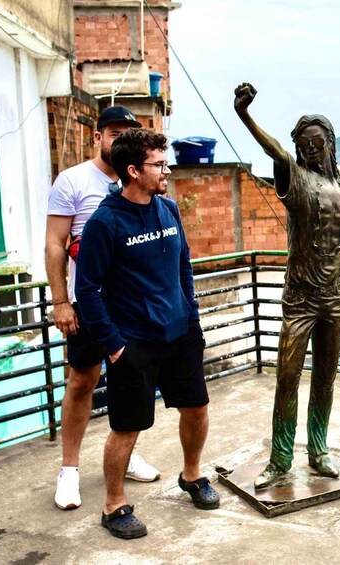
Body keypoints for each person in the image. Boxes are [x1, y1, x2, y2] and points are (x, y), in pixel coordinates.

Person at [233, 82, 340, 489]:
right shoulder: (295, 179)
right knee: (287, 379)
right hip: (301, 299)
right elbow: (274, 150)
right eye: (304, 143)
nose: (311, 148)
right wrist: (244, 115)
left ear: (328, 143)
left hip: (333, 299)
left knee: (325, 376)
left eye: (318, 141)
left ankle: (318, 450)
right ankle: (279, 459)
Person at [75, 128, 219, 539]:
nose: (167, 170)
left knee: (196, 408)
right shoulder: (105, 222)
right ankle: (114, 505)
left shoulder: (168, 209)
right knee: (127, 426)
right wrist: (115, 346)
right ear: (134, 171)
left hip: (180, 333)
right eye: (159, 164)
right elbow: (86, 289)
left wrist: (191, 315)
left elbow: (184, 265)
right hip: (134, 341)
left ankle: (191, 475)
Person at [45, 106, 160, 511]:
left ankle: (125, 457)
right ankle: (69, 469)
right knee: (81, 381)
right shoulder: (73, 181)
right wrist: (61, 301)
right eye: (113, 132)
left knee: (132, 382)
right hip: (87, 301)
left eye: (128, 132)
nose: (119, 138)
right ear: (97, 137)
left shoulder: (142, 179)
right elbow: (55, 243)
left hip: (133, 305)